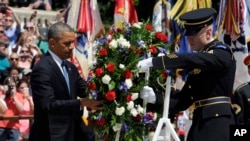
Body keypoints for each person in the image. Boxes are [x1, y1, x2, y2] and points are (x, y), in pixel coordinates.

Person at [137, 8, 236, 141]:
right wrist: (155, 97)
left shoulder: (221, 53)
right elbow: (182, 101)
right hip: (198, 124)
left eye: (194, 34)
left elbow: (189, 59)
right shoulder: (198, 64)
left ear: (208, 32)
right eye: (188, 35)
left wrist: (156, 62)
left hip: (217, 124)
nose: (189, 39)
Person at [29, 22, 103, 141]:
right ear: (52, 43)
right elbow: (49, 104)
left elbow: (86, 90)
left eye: (73, 42)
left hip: (74, 132)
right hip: (51, 135)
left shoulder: (70, 67)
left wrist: (109, 89)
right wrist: (81, 103)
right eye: (67, 43)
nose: (72, 47)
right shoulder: (42, 68)